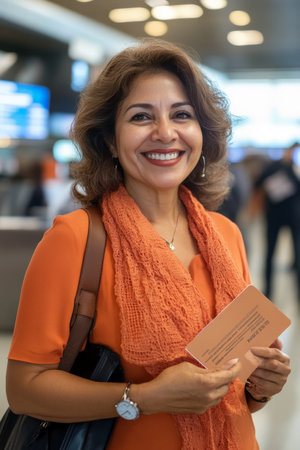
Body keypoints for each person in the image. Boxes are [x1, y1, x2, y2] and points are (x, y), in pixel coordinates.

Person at [6, 39, 290, 450]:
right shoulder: (75, 238)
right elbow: (24, 389)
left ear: (201, 132)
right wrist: (143, 397)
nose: (165, 133)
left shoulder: (224, 235)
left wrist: (260, 386)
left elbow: (234, 394)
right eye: (141, 117)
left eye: (182, 115)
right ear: (108, 139)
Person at [251, 142, 300, 301]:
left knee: (297, 255)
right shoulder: (273, 166)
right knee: (270, 254)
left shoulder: (294, 169)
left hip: (294, 218)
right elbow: (259, 183)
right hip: (273, 217)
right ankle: (268, 291)